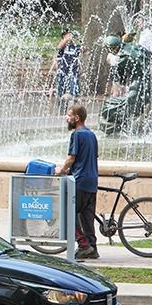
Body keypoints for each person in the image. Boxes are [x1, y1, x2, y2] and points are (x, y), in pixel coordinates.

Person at [58, 104, 99, 259]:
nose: (67, 119)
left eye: (69, 115)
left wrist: (61, 170)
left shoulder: (77, 134)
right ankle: (92, 248)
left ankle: (83, 244)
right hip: (92, 180)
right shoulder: (91, 134)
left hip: (80, 180)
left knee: (68, 213)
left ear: (76, 118)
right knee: (87, 217)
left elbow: (72, 157)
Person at [53, 29, 81, 100]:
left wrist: (80, 39)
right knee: (61, 87)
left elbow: (84, 49)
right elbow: (57, 50)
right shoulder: (62, 47)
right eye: (67, 36)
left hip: (73, 71)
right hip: (62, 70)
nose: (70, 38)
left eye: (71, 36)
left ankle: (74, 101)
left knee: (73, 87)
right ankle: (60, 102)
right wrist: (66, 39)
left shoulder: (75, 47)